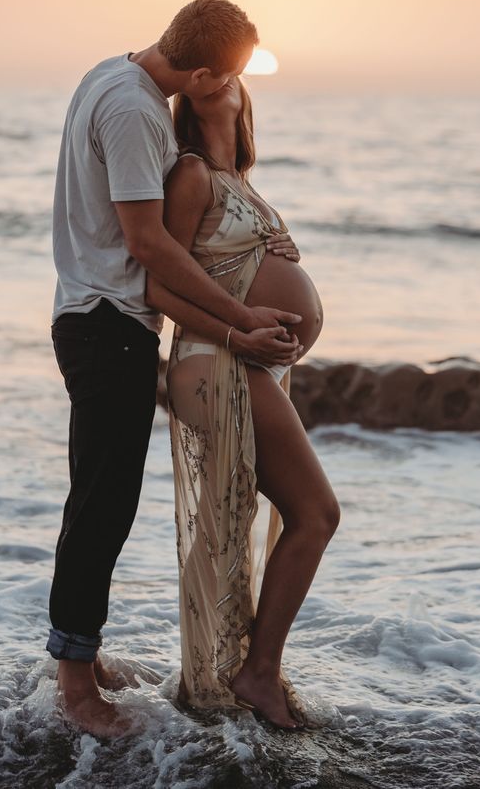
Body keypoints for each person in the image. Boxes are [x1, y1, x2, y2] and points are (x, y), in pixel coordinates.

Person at [46, 0, 306, 738]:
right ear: (196, 71)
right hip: (108, 323)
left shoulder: (115, 74)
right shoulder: (135, 112)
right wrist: (240, 320)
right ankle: (75, 687)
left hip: (101, 320)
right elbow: (151, 246)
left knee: (100, 496)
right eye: (221, 78)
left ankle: (79, 656)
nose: (228, 89)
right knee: (102, 502)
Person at [145, 76, 341, 730]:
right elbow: (156, 283)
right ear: (191, 99)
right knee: (315, 513)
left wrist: (270, 249)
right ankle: (255, 673)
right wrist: (237, 324)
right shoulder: (193, 174)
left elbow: (228, 263)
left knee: (230, 529)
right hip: (213, 362)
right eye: (209, 71)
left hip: (248, 367)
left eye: (234, 70)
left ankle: (228, 676)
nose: (223, 76)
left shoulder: (244, 182)